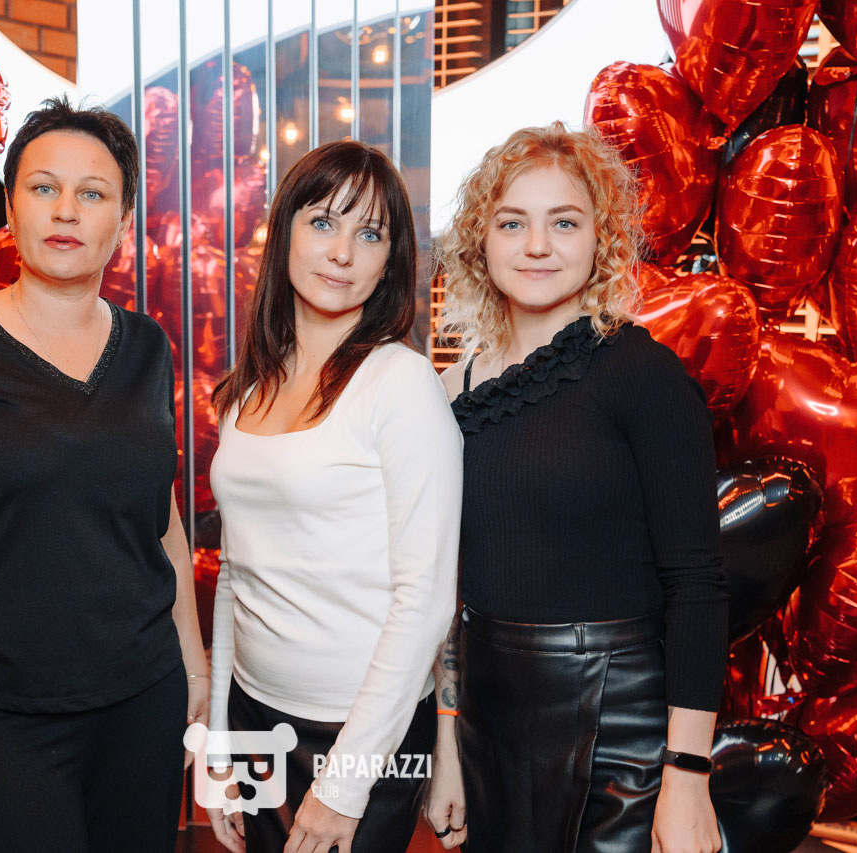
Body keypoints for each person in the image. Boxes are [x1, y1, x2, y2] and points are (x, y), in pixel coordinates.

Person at [0, 97, 208, 853]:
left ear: (123, 222)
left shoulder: (148, 348)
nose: (66, 210)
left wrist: (193, 664)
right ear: (10, 206)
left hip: (143, 701)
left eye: (93, 193)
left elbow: (162, 521)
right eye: (43, 186)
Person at [424, 123, 727, 853]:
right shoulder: (449, 392)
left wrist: (688, 775)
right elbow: (444, 589)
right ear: (480, 241)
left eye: (564, 222)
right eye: (511, 223)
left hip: (623, 731)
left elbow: (697, 584)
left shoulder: (642, 376)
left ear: (602, 239)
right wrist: (448, 744)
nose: (537, 246)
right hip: (490, 721)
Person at [202, 140, 462, 853]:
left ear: (389, 261)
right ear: (285, 231)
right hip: (256, 712)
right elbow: (236, 573)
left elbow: (427, 601)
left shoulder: (400, 384)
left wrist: (345, 782)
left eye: (369, 234)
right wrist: (222, 736)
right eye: (323, 222)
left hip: (361, 733)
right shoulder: (249, 389)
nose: (342, 252)